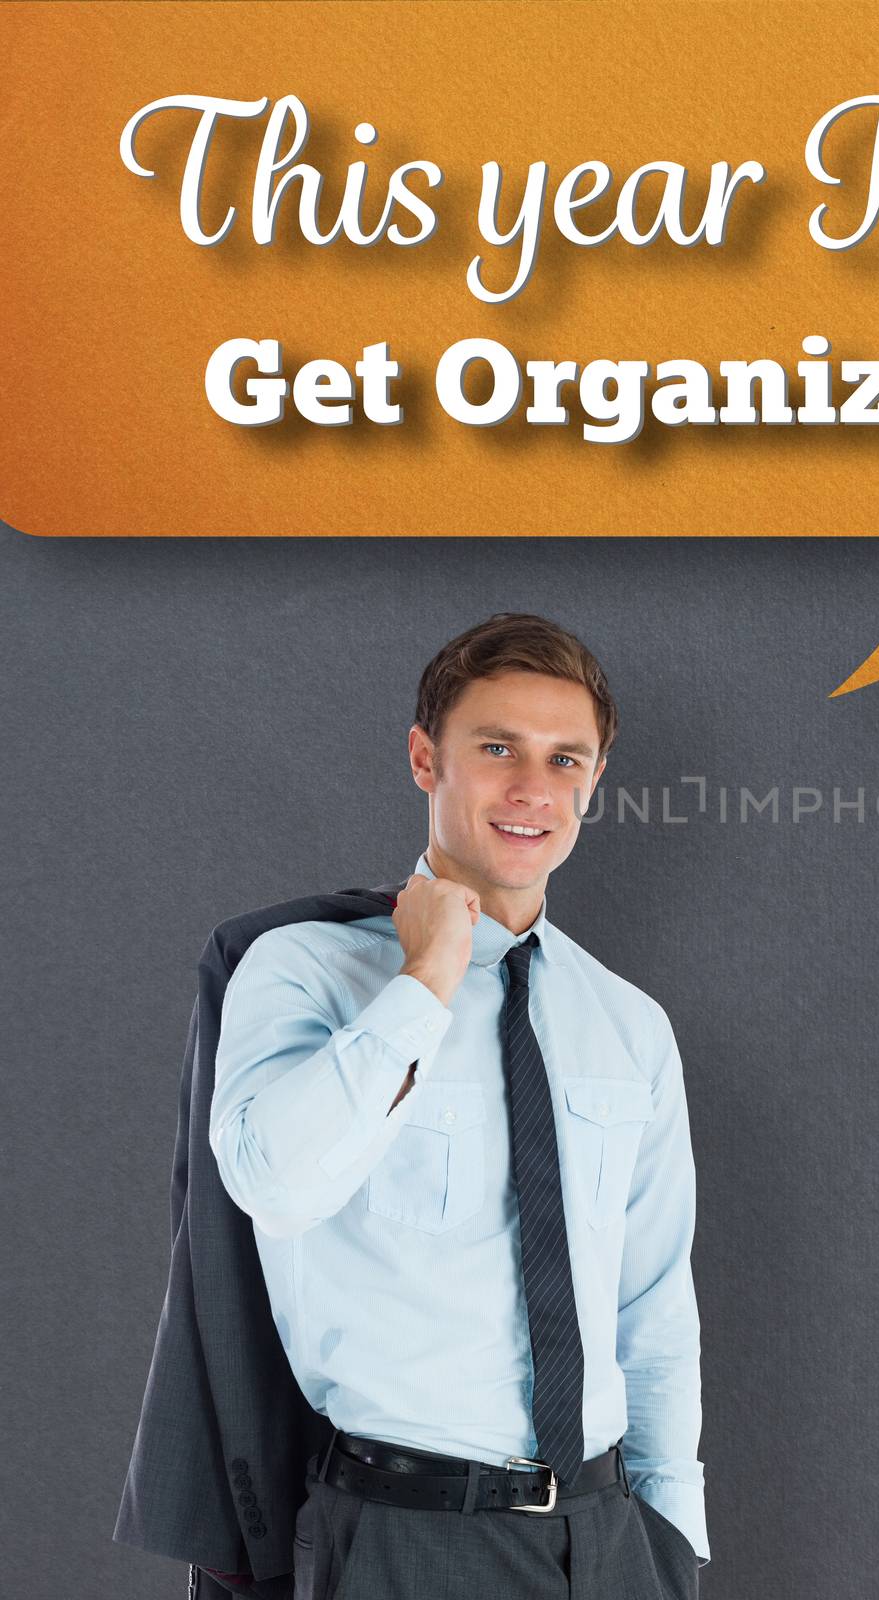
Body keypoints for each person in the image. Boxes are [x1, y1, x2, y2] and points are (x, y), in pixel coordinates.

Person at [202, 612, 706, 1598]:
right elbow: (274, 1185)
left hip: (611, 1544)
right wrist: (427, 978)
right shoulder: (301, 971)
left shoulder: (628, 1023)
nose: (532, 788)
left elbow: (652, 1309)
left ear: (594, 783)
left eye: (566, 759)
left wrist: (673, 1545)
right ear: (425, 758)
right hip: (406, 1536)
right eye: (496, 748)